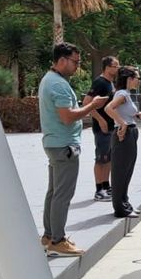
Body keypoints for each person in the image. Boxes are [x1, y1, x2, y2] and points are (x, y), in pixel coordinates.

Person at [38, 42, 106, 257]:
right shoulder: (58, 84)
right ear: (62, 60)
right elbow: (67, 117)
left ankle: (49, 236)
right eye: (75, 62)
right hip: (63, 145)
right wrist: (92, 106)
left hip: (55, 144)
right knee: (62, 194)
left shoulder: (50, 80)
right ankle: (57, 240)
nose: (77, 66)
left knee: (54, 192)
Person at [104, 65, 141, 218]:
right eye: (137, 78)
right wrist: (122, 123)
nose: (138, 81)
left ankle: (125, 203)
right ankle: (120, 208)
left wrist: (138, 115)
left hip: (131, 133)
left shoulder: (126, 94)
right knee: (120, 172)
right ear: (129, 79)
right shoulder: (122, 94)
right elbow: (108, 108)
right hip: (124, 134)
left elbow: (125, 112)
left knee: (127, 170)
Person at [87, 56, 119, 202]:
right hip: (102, 128)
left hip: (111, 126)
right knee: (101, 158)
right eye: (115, 66)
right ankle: (99, 189)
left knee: (108, 158)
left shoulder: (110, 83)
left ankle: (106, 186)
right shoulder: (99, 82)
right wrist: (100, 120)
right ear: (107, 67)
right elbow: (88, 103)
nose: (117, 68)